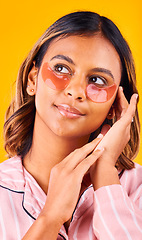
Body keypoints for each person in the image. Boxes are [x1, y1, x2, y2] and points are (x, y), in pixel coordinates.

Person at [0, 11, 142, 239]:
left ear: (116, 104)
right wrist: (51, 216)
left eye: (97, 80)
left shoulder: (137, 189)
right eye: (61, 68)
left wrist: (105, 169)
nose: (75, 91)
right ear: (32, 79)